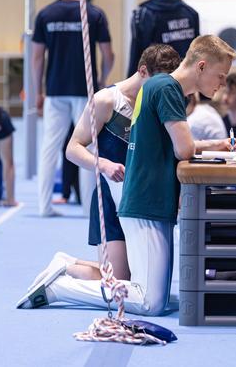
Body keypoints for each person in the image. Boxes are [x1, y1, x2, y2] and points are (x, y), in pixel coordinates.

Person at [17, 35, 236, 315]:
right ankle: (60, 286)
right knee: (146, 299)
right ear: (201, 66)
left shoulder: (165, 90)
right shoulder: (134, 94)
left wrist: (213, 145)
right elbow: (184, 149)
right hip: (127, 194)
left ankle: (66, 266)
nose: (222, 85)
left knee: (141, 289)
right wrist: (105, 166)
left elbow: (172, 144)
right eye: (221, 77)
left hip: (141, 194)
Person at [62, 44, 181, 282]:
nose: (162, 89)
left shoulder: (160, 102)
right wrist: (104, 164)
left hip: (143, 200)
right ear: (143, 71)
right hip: (110, 197)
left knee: (143, 280)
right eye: (158, 82)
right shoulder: (106, 101)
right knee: (120, 283)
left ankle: (69, 265)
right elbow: (72, 149)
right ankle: (65, 268)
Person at [33, 0, 114, 217]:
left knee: (50, 146)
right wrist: (101, 80)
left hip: (55, 89)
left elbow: (37, 58)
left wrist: (38, 91)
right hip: (84, 89)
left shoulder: (46, 14)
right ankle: (86, 209)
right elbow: (108, 54)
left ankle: (44, 207)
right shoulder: (94, 13)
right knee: (86, 148)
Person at [126, 0, 200, 77]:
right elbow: (196, 56)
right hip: (185, 87)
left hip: (157, 88)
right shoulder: (191, 14)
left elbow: (136, 61)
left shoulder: (143, 15)